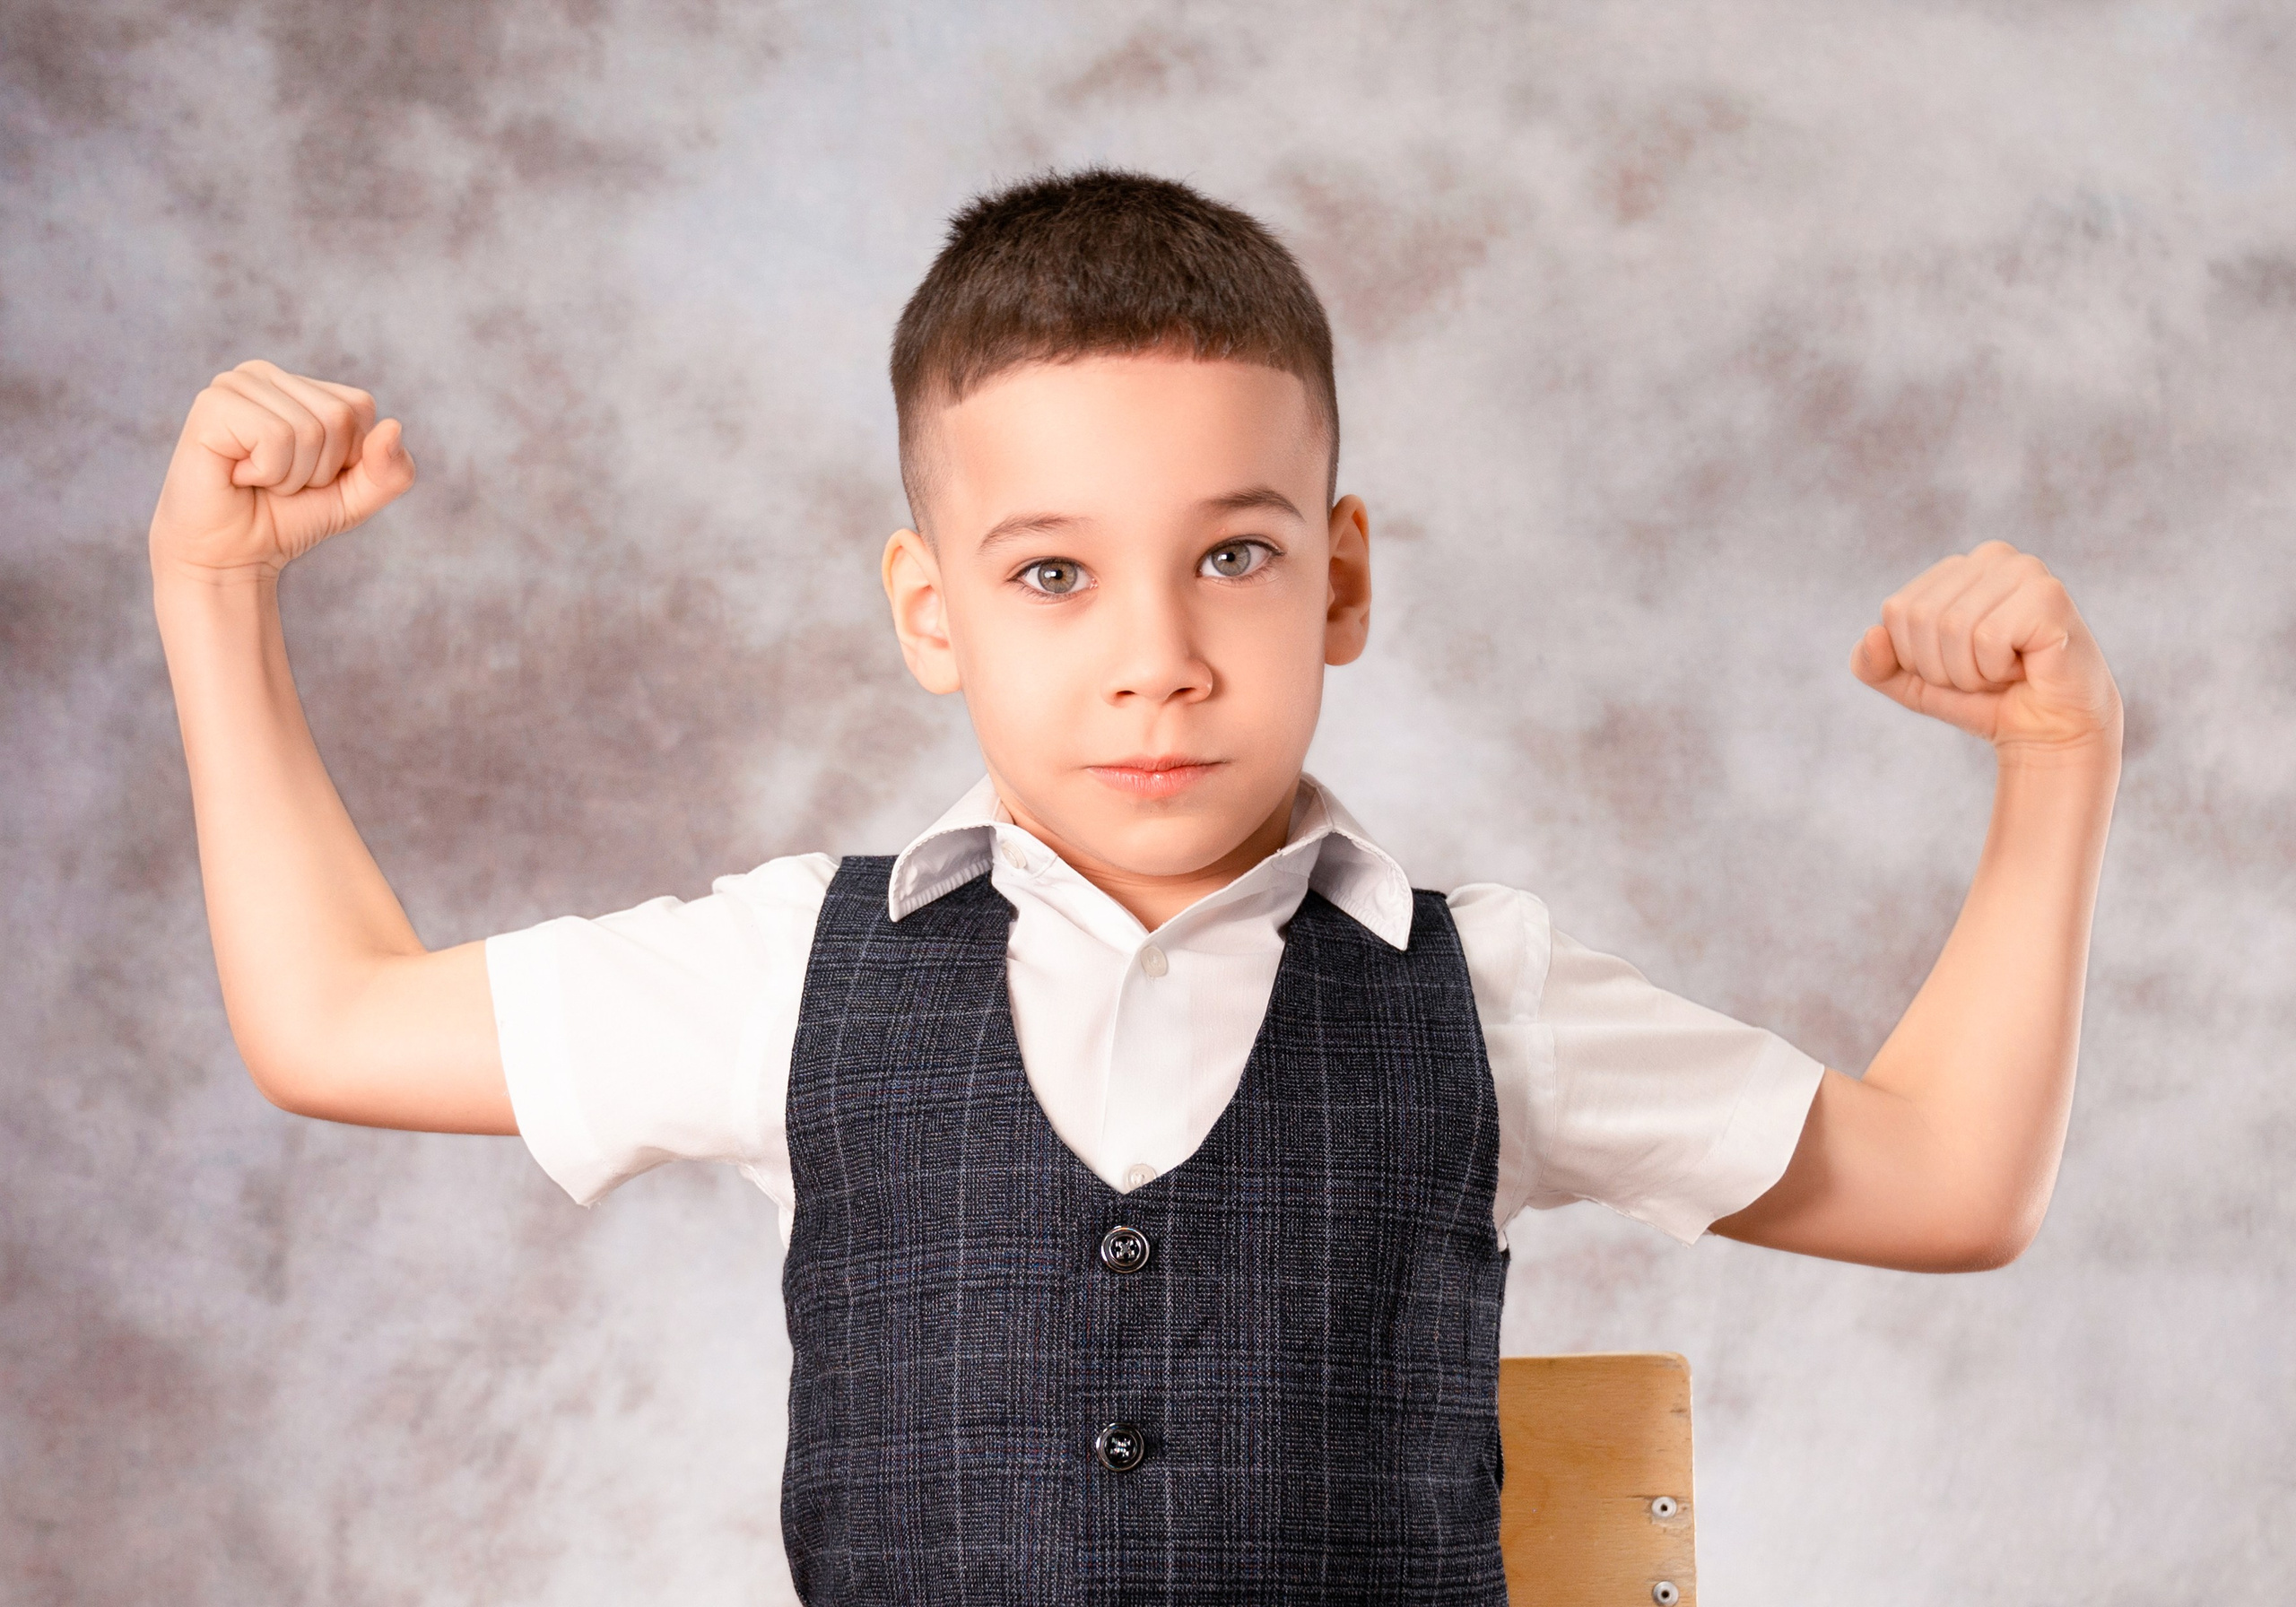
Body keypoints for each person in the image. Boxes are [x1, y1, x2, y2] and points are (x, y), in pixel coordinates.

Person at [145, 167, 2123, 1603]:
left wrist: (2053, 769)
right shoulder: (788, 974)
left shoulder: (1477, 994)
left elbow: (1949, 1179)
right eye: (1051, 571)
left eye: (1235, 556)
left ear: (1340, 576)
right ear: (932, 609)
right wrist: (213, 598)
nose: (1154, 652)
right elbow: (328, 1017)